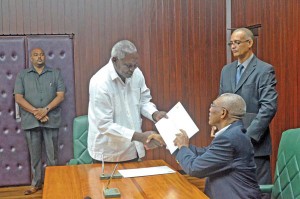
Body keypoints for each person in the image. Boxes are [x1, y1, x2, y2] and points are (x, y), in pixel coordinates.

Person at [218, 28, 278, 196]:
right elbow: (221, 104)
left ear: (250, 43)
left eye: (237, 42)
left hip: (255, 146)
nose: (233, 47)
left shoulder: (264, 70)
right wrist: (218, 127)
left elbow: (268, 107)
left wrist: (247, 137)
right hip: (230, 144)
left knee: (258, 192)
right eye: (231, 43)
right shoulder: (226, 71)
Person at [88, 40, 166, 163]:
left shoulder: (137, 74)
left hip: (132, 149)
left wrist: (154, 114)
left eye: (135, 65)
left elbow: (143, 100)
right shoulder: (100, 83)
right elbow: (104, 125)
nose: (132, 70)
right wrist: (140, 137)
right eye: (128, 66)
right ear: (114, 60)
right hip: (108, 152)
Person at [174, 93, 261, 199]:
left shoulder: (229, 138)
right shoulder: (232, 133)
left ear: (223, 113)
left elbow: (195, 168)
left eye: (212, 105)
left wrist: (183, 147)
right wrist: (170, 142)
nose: (209, 109)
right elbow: (204, 153)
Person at [14, 48, 65, 195]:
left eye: (42, 54)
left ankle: (53, 182)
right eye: (36, 55)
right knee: (34, 155)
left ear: (45, 57)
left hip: (51, 120)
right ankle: (35, 184)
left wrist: (45, 110)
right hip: (31, 121)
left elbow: (60, 96)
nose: (39, 57)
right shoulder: (22, 75)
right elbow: (18, 98)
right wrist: (37, 112)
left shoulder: (55, 74)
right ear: (31, 58)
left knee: (52, 156)